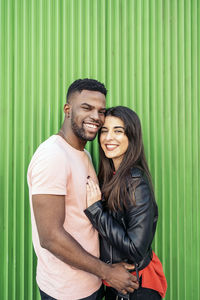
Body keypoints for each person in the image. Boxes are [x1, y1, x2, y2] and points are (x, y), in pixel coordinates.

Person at [27, 80, 139, 300]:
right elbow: (50, 237)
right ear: (67, 110)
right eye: (87, 108)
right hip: (67, 291)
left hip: (91, 282)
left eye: (101, 111)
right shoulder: (53, 156)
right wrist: (108, 272)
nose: (96, 117)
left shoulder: (83, 154)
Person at [85, 106, 167, 300]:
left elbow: (136, 250)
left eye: (118, 131)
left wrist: (96, 212)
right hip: (118, 284)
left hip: (136, 287)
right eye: (104, 131)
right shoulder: (111, 177)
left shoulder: (136, 182)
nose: (108, 137)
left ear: (132, 137)